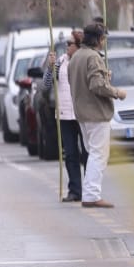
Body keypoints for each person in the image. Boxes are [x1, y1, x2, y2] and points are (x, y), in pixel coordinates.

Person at [67, 22, 127, 208]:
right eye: (104, 39)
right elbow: (96, 85)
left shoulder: (76, 56)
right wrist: (116, 92)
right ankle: (92, 195)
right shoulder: (93, 57)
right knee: (98, 155)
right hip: (96, 113)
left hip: (82, 113)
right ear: (99, 40)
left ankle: (89, 192)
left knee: (93, 153)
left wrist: (103, 78)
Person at [43, 29, 86, 203]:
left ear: (79, 46)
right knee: (70, 154)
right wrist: (50, 67)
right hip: (65, 115)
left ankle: (91, 189)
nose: (66, 47)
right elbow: (46, 85)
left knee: (88, 153)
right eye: (66, 44)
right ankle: (75, 190)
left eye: (70, 44)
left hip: (84, 114)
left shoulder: (87, 60)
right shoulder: (60, 61)